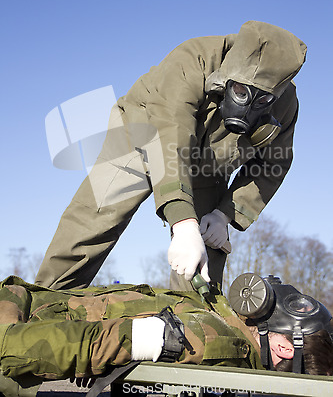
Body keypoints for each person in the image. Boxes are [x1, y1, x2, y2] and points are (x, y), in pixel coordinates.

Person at [35, 21, 307, 291]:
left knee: (204, 254)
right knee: (94, 221)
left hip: (210, 165)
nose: (246, 103)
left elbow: (273, 164)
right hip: (142, 134)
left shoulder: (286, 103)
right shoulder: (194, 59)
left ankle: (198, 325)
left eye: (261, 100)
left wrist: (225, 215)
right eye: (239, 91)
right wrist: (182, 220)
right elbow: (170, 132)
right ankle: (42, 304)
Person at [0, 273, 332, 397]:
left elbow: (103, 343)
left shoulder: (216, 338)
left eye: (290, 311)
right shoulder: (230, 325)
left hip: (16, 321)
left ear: (285, 348)